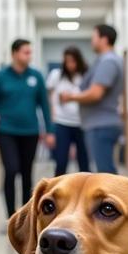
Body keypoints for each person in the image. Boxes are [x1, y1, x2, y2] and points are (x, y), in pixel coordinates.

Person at [0, 39, 54, 216]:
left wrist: (49, 131)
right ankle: (11, 215)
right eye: (25, 52)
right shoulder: (1, 76)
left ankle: (26, 216)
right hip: (6, 131)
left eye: (30, 52)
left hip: (30, 131)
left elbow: (44, 105)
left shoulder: (36, 76)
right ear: (14, 54)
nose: (29, 55)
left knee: (27, 173)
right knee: (11, 170)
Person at [61, 24, 124, 174]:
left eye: (94, 37)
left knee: (105, 173)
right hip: (98, 124)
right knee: (104, 171)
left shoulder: (108, 61)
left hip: (101, 125)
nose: (92, 40)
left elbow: (96, 93)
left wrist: (71, 97)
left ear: (104, 39)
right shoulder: (104, 60)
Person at [46, 46, 90, 176]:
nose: (70, 64)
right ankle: (58, 192)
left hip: (82, 123)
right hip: (61, 122)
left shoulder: (85, 76)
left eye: (73, 61)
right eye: (67, 61)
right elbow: (50, 99)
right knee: (61, 161)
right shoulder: (56, 75)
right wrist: (51, 121)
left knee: (84, 162)